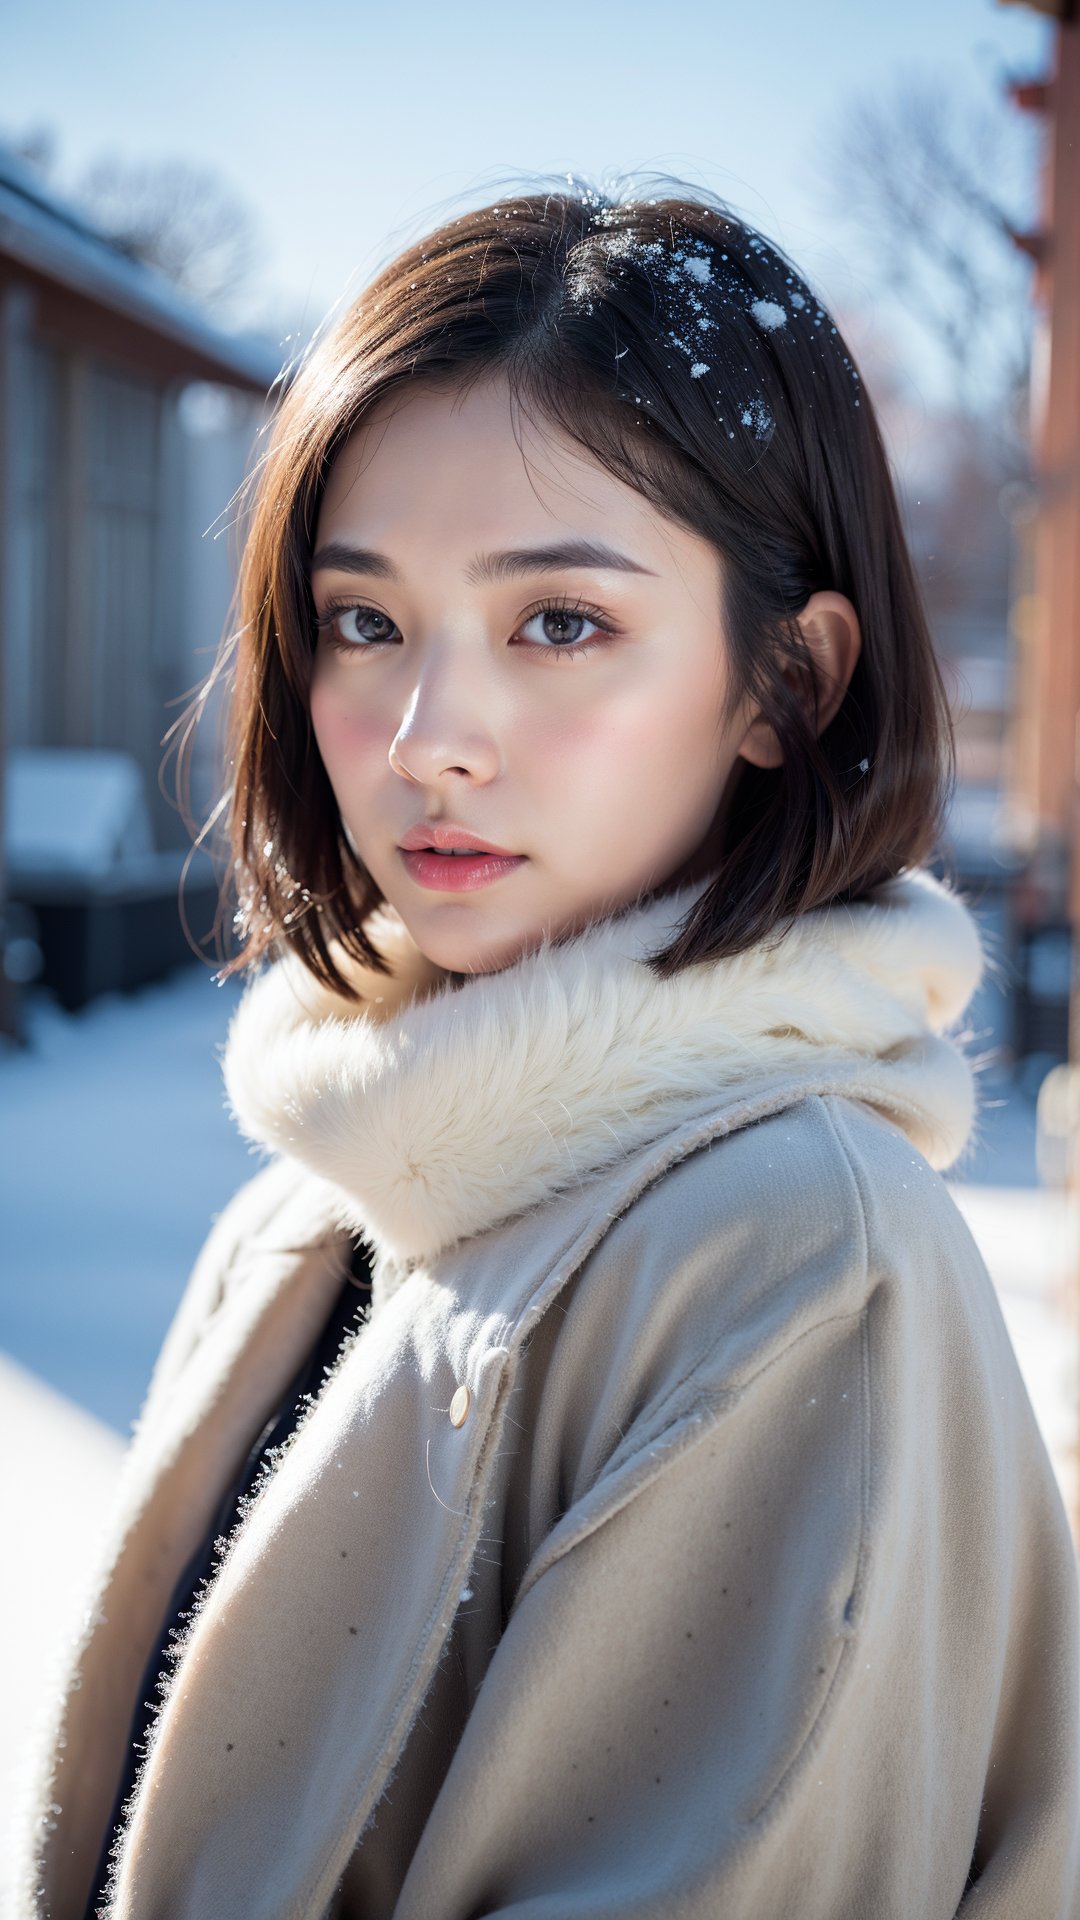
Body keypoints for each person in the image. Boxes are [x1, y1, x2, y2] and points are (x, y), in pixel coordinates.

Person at [15, 180, 1080, 1919]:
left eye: (559, 624)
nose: (430, 739)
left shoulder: (799, 1251)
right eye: (366, 620)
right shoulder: (329, 1202)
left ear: (785, 685)